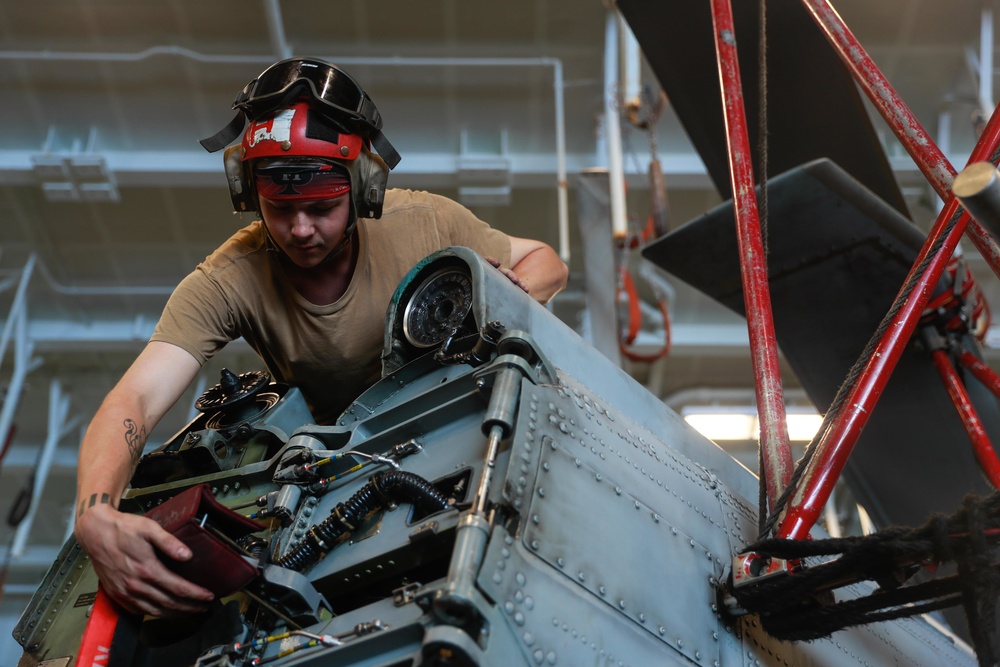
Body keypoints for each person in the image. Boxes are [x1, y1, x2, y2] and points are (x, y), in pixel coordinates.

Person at [73, 57, 568, 618]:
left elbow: (546, 262)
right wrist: (94, 512)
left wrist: (506, 295)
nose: (301, 230)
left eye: (323, 207)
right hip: (347, 474)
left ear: (362, 190)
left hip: (462, 429)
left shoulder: (426, 223)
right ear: (246, 191)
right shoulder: (229, 278)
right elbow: (133, 400)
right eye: (280, 209)